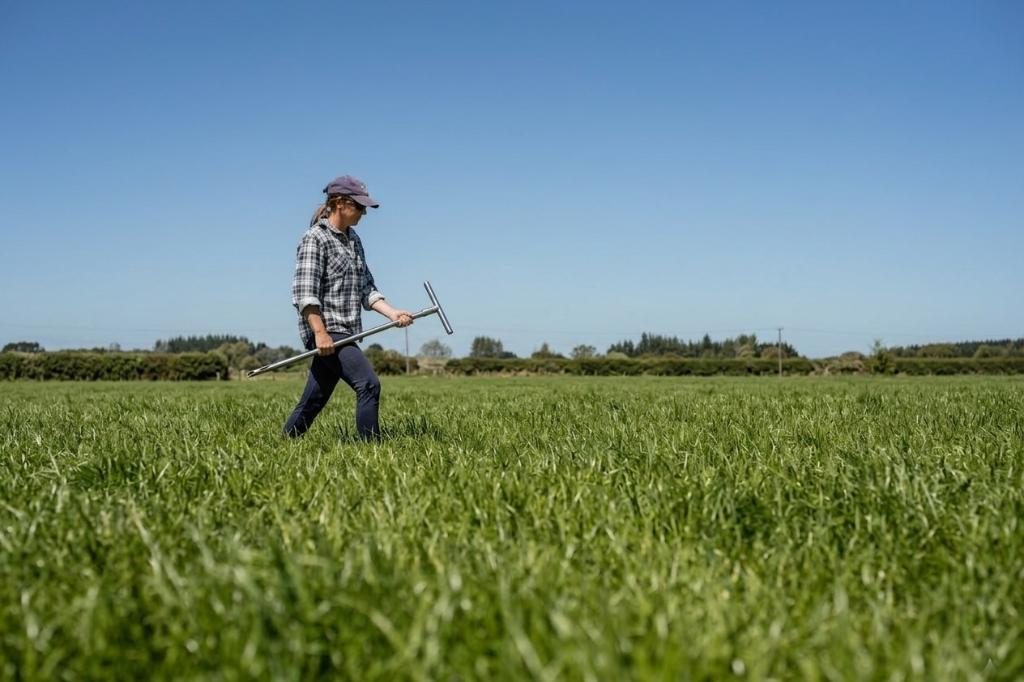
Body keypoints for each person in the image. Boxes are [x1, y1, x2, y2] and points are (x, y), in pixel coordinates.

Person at [283, 175, 413, 440]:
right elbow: (305, 293)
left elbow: (367, 288)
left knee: (315, 398)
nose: (364, 212)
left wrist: (393, 312)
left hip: (347, 330)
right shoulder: (315, 238)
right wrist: (320, 333)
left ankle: (283, 444)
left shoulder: (354, 241)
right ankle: (371, 451)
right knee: (368, 385)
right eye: (359, 206)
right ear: (340, 203)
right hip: (328, 331)